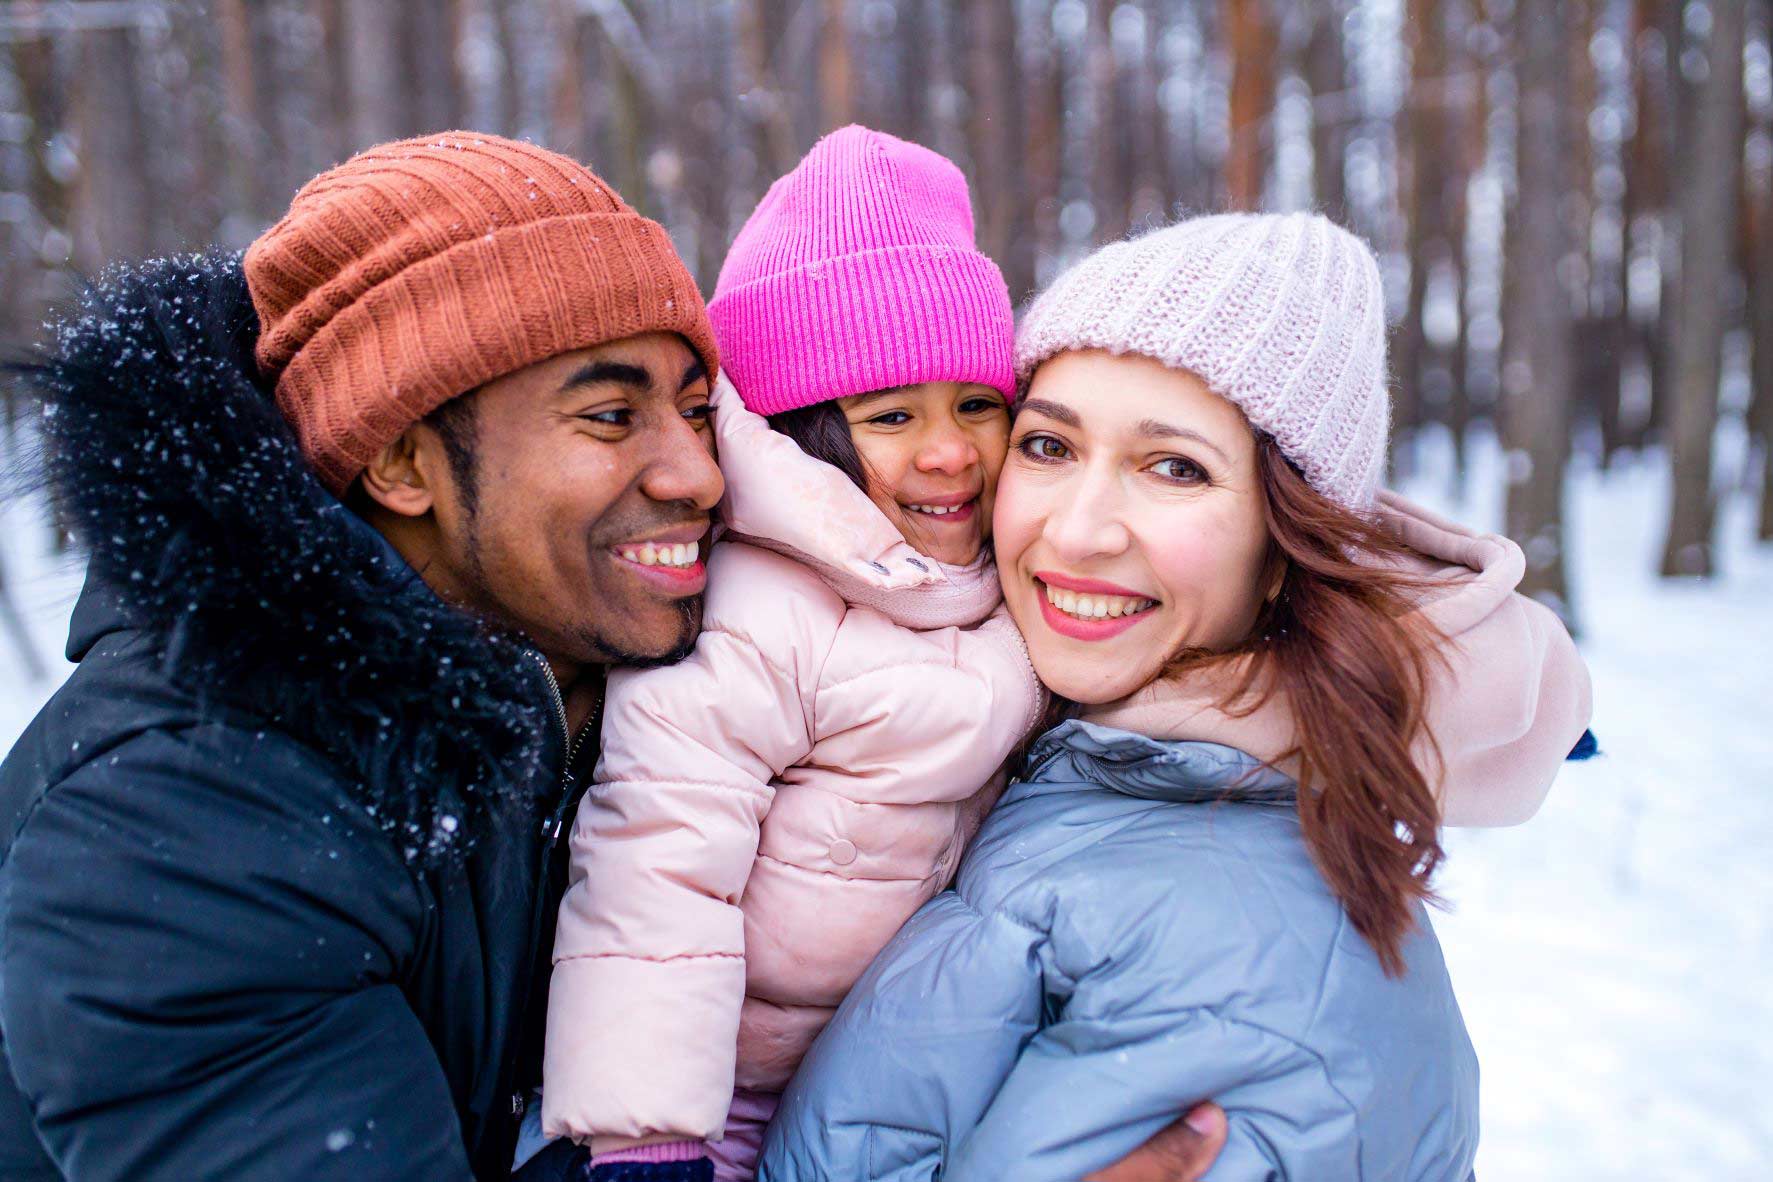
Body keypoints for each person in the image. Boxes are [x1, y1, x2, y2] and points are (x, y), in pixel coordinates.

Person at [0, 131, 1228, 1182]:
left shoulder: (559, 678)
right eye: (608, 415)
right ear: (400, 463)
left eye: (701, 411)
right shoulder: (181, 828)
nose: (699, 474)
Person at [757, 213, 1595, 1180]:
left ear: (1286, 550)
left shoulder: (1241, 964)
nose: (1075, 533)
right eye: (1047, 446)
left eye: (1174, 468)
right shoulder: (1058, 758)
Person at [541, 126, 1043, 1182]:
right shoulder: (758, 609)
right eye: (892, 415)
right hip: (723, 1095)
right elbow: (658, 857)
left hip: (914, 1083)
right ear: (808, 433)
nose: (948, 451)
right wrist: (649, 1137)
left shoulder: (1016, 585)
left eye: (977, 407)